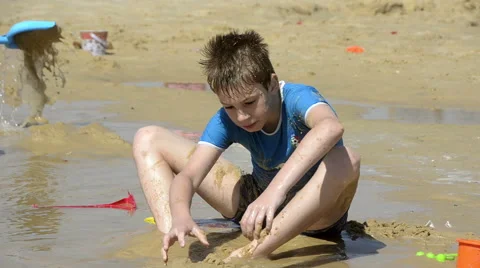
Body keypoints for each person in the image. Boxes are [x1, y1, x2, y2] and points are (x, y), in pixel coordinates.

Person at [132, 29, 361, 263]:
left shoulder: (297, 97)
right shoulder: (226, 119)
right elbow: (189, 177)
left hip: (315, 215)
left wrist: (274, 193)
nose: (241, 117)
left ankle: (256, 252)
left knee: (347, 159)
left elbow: (331, 127)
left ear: (271, 84)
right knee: (148, 137)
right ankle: (175, 238)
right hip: (256, 204)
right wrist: (180, 213)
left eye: (249, 102)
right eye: (229, 107)